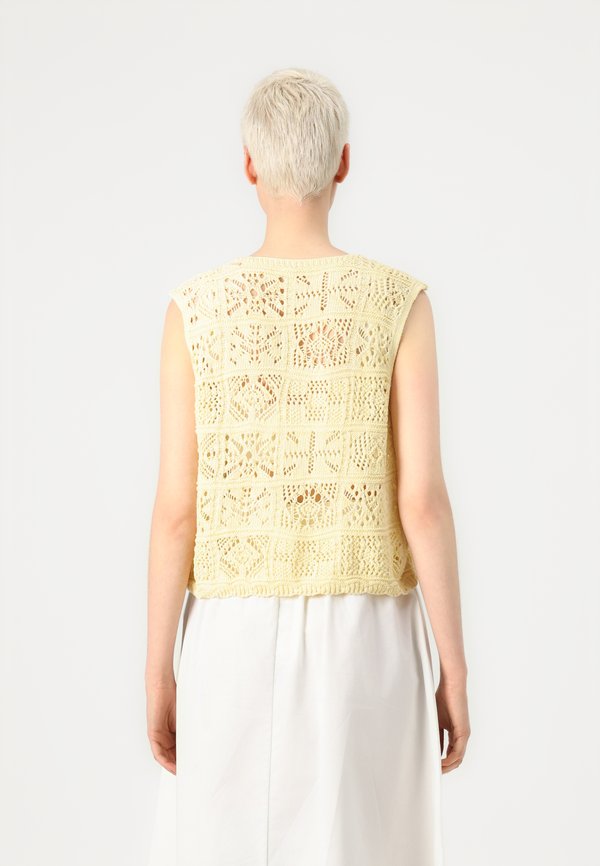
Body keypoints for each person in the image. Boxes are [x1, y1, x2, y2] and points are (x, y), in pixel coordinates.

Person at [145, 67, 470, 866]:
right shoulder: (398, 303)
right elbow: (422, 501)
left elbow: (177, 512)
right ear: (343, 163)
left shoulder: (195, 311)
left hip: (228, 634)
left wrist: (158, 668)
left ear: (249, 165)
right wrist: (454, 667)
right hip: (368, 638)